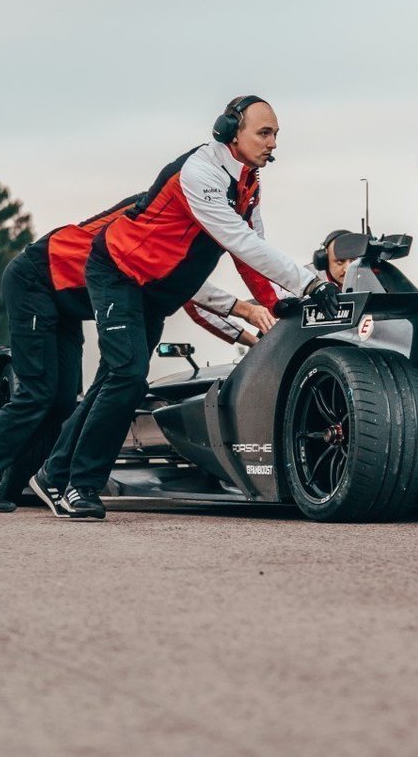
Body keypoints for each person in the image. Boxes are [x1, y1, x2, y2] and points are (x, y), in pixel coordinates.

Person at [35, 96, 342, 520]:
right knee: (127, 376)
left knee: (115, 378)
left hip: (156, 289)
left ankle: (53, 471)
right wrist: (309, 282)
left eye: (276, 134)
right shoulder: (200, 173)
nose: (273, 143)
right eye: (264, 133)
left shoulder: (248, 181)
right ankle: (80, 485)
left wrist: (276, 301)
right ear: (229, 131)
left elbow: (252, 249)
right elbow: (239, 241)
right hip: (120, 273)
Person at [0, 198, 273, 513]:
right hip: (35, 279)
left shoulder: (188, 224)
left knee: (63, 401)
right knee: (37, 394)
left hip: (69, 300)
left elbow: (187, 295)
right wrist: (245, 310)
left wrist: (250, 337)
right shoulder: (158, 215)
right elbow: (193, 290)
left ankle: (10, 459)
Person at [183, 227, 356, 346]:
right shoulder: (297, 283)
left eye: (354, 261)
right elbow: (194, 301)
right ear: (323, 260)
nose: (347, 268)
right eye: (340, 262)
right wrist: (252, 340)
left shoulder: (369, 281)